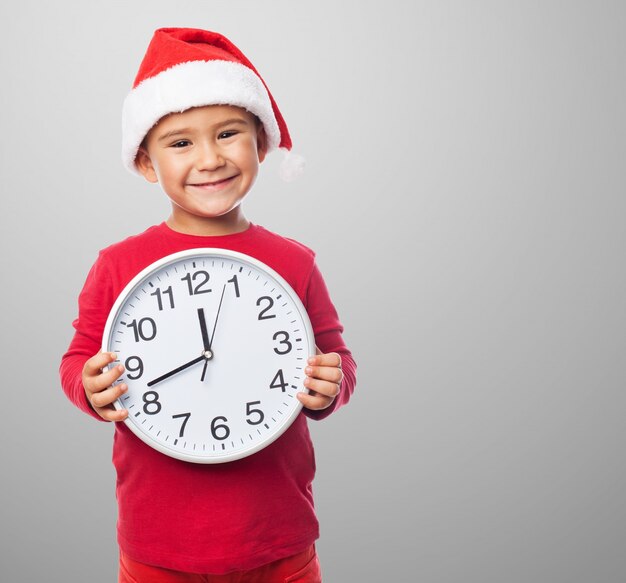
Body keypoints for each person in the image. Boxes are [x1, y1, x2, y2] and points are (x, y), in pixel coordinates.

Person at [59, 27, 356, 582]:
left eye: (227, 133)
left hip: (278, 541)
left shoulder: (295, 262)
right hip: (158, 548)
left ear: (260, 145)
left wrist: (331, 386)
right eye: (180, 142)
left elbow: (338, 357)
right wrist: (89, 388)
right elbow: (76, 360)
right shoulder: (118, 264)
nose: (210, 158)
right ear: (146, 163)